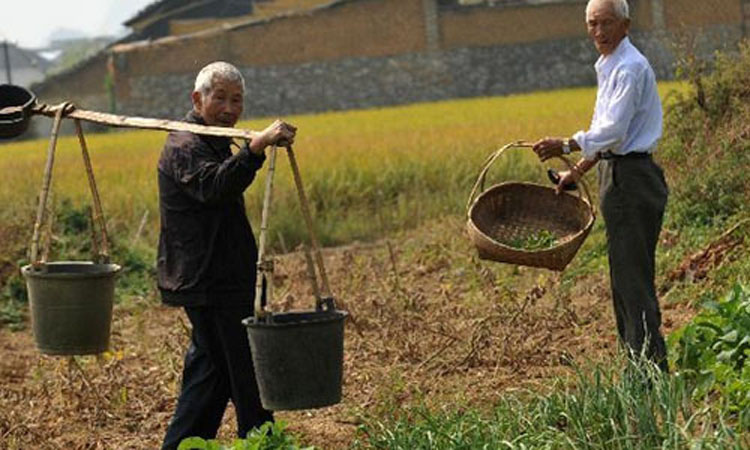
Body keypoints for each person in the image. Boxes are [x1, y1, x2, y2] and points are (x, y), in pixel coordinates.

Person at [157, 61, 297, 449]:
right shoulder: (184, 144)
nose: (230, 108)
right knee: (246, 372)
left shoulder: (215, 140)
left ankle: (184, 444)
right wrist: (254, 148)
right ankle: (263, 442)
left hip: (223, 277)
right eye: (220, 98)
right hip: (209, 281)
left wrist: (247, 150)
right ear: (197, 99)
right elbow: (214, 186)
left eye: (237, 100)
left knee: (211, 373)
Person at [532, 0, 669, 371]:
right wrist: (573, 172)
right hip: (618, 175)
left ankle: (650, 372)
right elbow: (603, 135)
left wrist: (563, 145)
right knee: (622, 279)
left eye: (607, 23)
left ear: (625, 24)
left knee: (633, 281)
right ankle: (637, 367)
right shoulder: (608, 65)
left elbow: (613, 132)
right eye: (592, 24)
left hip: (633, 180)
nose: (599, 32)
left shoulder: (629, 67)